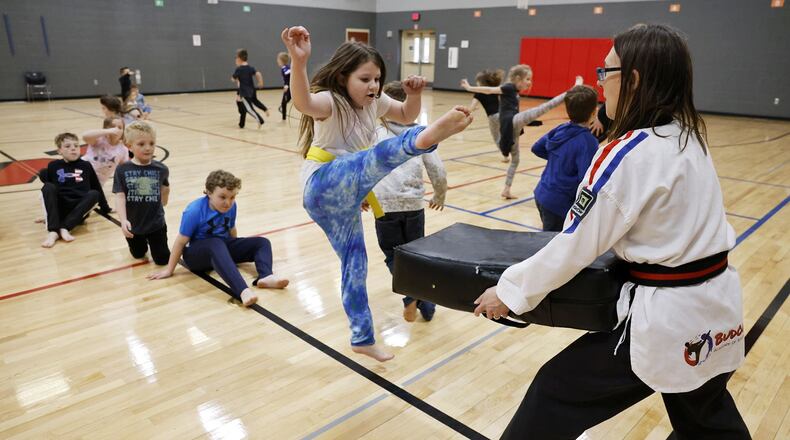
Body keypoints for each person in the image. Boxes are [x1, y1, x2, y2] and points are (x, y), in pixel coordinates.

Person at [473, 24, 749, 439]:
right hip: (717, 306)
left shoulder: (627, 155)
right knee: (706, 418)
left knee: (554, 393)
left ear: (633, 79)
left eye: (607, 73)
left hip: (667, 318)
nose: (602, 84)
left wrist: (510, 292)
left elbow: (575, 245)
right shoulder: (689, 134)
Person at [282, 25, 473, 361]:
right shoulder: (332, 100)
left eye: (377, 79)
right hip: (322, 182)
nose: (373, 86)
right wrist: (299, 63)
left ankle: (362, 337)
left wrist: (413, 95)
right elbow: (303, 101)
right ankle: (425, 140)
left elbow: (406, 114)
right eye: (365, 79)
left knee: (355, 264)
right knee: (376, 156)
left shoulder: (375, 101)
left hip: (346, 193)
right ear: (343, 78)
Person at [148, 170, 289, 306]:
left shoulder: (231, 207)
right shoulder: (194, 210)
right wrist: (169, 270)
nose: (228, 202)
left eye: (232, 197)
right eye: (222, 197)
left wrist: (234, 253)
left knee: (262, 242)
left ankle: (265, 276)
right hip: (196, 255)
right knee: (215, 243)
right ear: (209, 193)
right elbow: (180, 242)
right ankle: (243, 290)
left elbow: (232, 230)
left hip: (220, 247)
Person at [372, 81, 447, 322]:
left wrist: (363, 196)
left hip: (383, 206)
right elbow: (437, 169)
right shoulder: (421, 134)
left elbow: (363, 169)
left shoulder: (374, 134)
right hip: (413, 205)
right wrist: (439, 194)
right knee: (416, 255)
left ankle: (410, 297)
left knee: (394, 255)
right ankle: (427, 304)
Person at [461, 68, 582, 199]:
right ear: (518, 79)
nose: (530, 82)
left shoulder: (514, 91)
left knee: (516, 160)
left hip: (514, 127)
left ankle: (506, 189)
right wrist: (469, 87)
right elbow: (489, 90)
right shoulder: (508, 87)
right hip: (512, 121)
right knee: (545, 107)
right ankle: (573, 89)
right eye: (527, 79)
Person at [531, 85, 599, 231]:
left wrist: (558, 160)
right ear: (594, 112)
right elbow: (585, 179)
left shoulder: (560, 128)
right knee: (553, 246)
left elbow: (536, 148)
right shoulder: (588, 142)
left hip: (541, 194)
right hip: (559, 204)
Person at [113, 121, 171, 265]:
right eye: (141, 144)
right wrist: (123, 220)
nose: (148, 148)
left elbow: (165, 188)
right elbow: (120, 196)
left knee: (163, 260)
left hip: (156, 224)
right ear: (129, 145)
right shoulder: (122, 170)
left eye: (152, 143)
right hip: (134, 225)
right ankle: (140, 245)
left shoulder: (161, 169)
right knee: (138, 255)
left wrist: (164, 199)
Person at [40, 133, 111, 248]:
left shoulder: (86, 165)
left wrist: (106, 208)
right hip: (61, 208)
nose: (73, 148)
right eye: (67, 146)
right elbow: (48, 194)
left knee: (94, 194)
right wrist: (46, 214)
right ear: (59, 151)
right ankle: (53, 231)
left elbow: (96, 186)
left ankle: (65, 227)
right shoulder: (53, 165)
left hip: (79, 209)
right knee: (48, 186)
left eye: (76, 146)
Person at [467, 69, 504, 160]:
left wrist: (471, 109)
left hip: (493, 117)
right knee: (504, 133)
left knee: (496, 137)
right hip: (502, 115)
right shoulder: (493, 91)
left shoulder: (478, 93)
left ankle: (505, 155)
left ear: (480, 83)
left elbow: (471, 108)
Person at [82, 117, 129, 185]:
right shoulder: (99, 140)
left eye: (119, 127)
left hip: (98, 182)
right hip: (83, 173)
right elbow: (85, 136)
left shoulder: (123, 150)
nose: (116, 130)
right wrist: (109, 131)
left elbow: (125, 168)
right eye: (113, 127)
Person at [232, 48, 269, 128]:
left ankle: (260, 120)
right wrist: (260, 82)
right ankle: (265, 109)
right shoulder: (250, 68)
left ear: (239, 58)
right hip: (252, 90)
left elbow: (233, 78)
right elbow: (258, 74)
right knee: (255, 101)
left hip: (245, 92)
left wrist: (235, 78)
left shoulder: (239, 69)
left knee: (249, 109)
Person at [277, 52, 292, 121]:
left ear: (281, 60)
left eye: (278, 59)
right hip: (289, 86)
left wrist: (286, 85)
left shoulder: (285, 68)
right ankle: (284, 117)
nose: (277, 61)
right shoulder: (284, 68)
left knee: (284, 101)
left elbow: (288, 75)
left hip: (289, 87)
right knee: (284, 102)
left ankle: (284, 117)